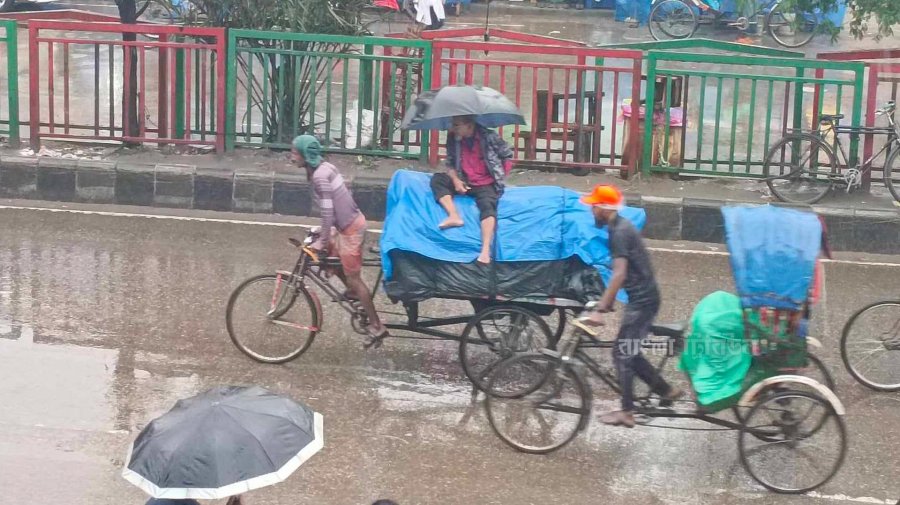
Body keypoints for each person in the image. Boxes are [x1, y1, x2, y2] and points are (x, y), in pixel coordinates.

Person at [580, 184, 682, 428]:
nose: (591, 211)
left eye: (594, 206)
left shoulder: (619, 232)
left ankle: (627, 411)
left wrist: (601, 308)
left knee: (622, 353)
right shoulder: (618, 226)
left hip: (643, 301)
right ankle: (664, 390)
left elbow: (618, 274)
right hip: (643, 297)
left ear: (603, 208)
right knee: (630, 350)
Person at [291, 135, 388, 342]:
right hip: (348, 224)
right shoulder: (325, 167)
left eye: (295, 152)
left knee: (354, 277)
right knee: (332, 259)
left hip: (351, 229)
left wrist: (322, 241)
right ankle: (352, 292)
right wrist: (323, 234)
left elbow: (328, 212)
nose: (292, 156)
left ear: (305, 156)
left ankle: (377, 325)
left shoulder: (318, 177)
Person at [430, 115, 514, 264]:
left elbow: (507, 156)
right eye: (453, 125)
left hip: (485, 182)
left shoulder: (489, 137)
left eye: (457, 125)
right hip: (465, 180)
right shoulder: (453, 139)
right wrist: (456, 181)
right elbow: (449, 163)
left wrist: (499, 178)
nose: (453, 128)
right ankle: (454, 215)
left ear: (469, 125)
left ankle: (485, 251)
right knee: (438, 179)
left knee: (488, 205)